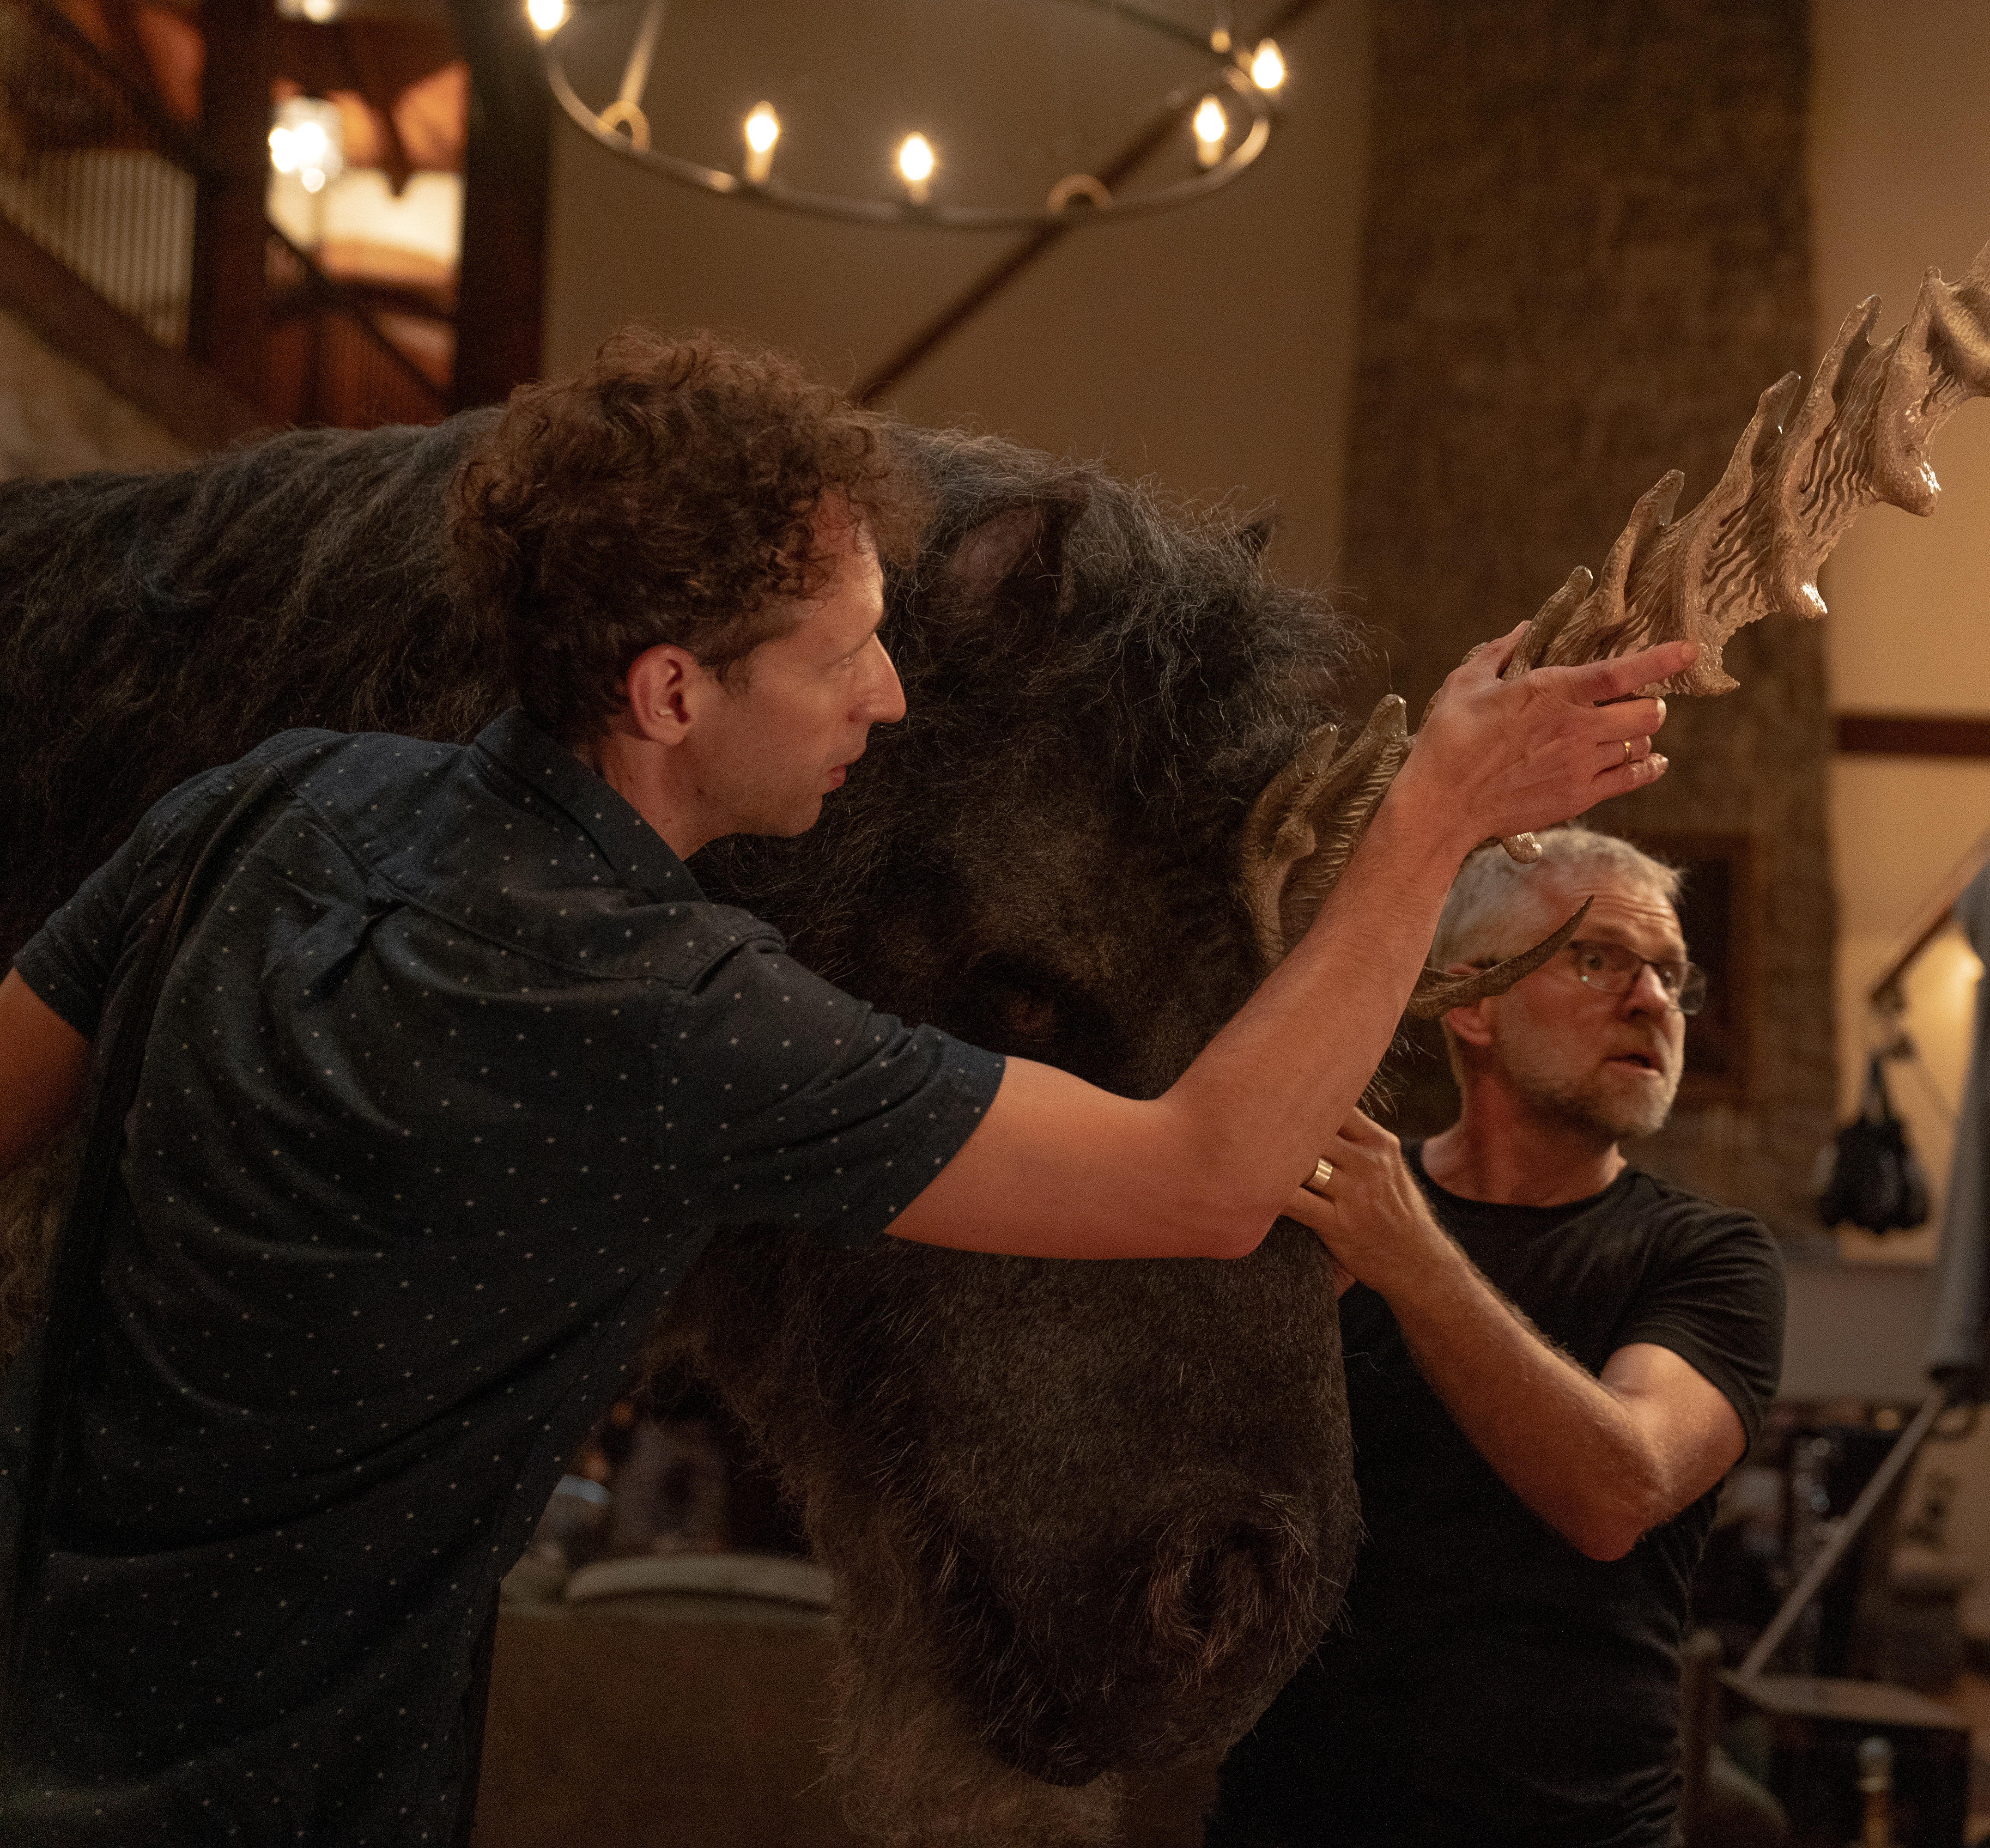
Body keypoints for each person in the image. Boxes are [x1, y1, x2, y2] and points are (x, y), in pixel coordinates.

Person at [0, 333, 1695, 1843]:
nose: (888, 698)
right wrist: (1439, 813)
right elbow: (1202, 1171)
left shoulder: (269, 800)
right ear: (671, 690)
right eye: (845, 655)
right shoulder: (672, 1015)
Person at [1208, 827, 1786, 1848]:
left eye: (1671, 974)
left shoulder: (1710, 1257)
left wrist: (1407, 1255)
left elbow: (1620, 1489)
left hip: (1573, 1826)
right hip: (1289, 1815)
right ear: (1469, 1002)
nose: (1653, 1000)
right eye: (1600, 958)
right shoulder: (1325, 1220)